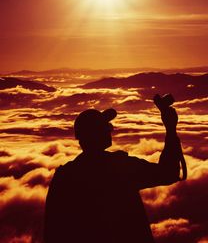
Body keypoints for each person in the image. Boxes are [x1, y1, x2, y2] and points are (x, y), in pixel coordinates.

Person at [44, 100, 186, 243]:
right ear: (100, 134)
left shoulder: (64, 176)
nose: (110, 130)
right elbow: (168, 173)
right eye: (107, 128)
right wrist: (171, 129)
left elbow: (52, 230)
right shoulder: (121, 166)